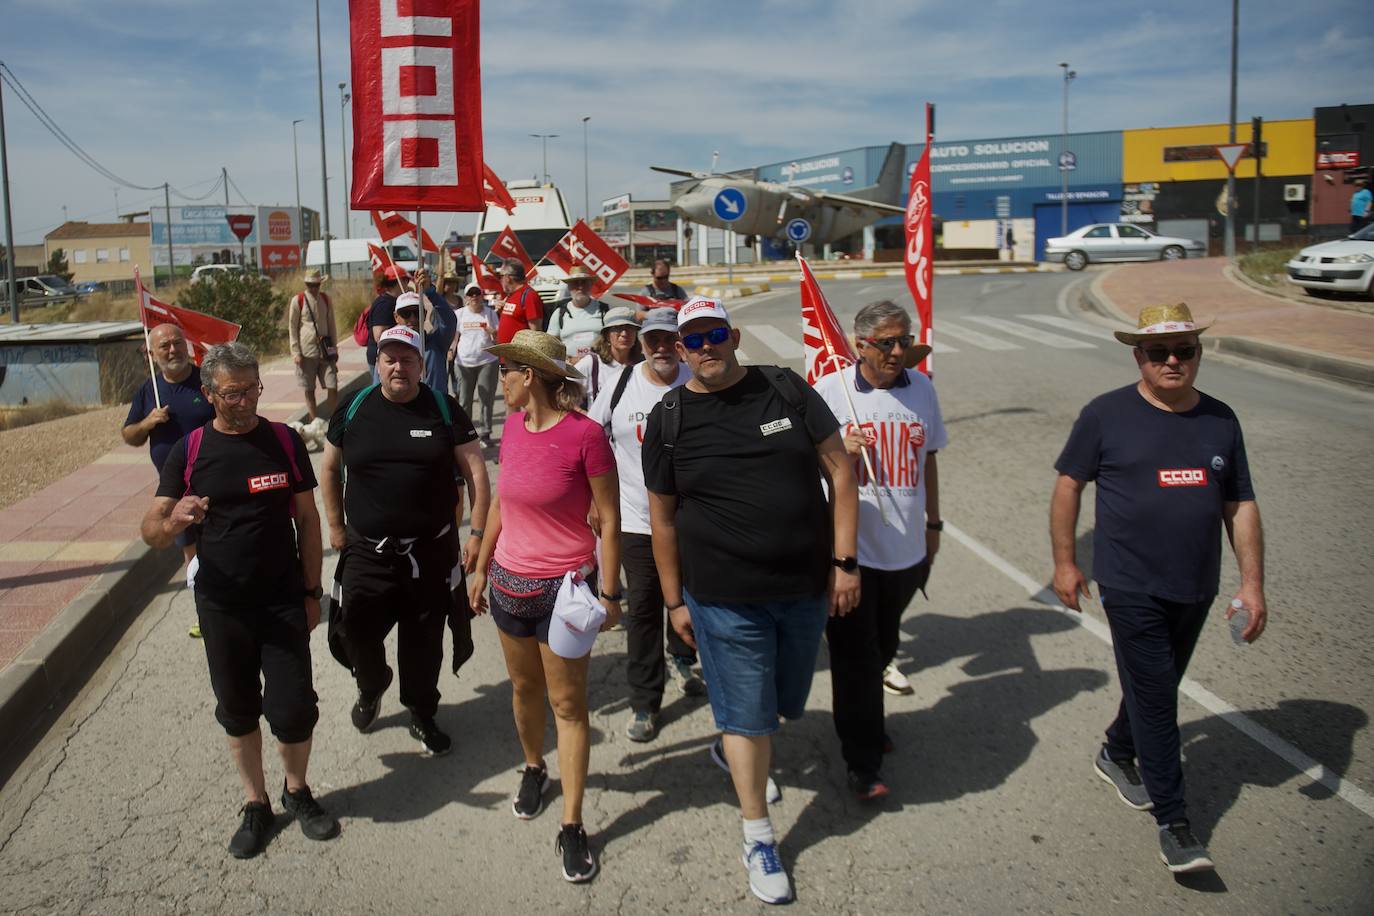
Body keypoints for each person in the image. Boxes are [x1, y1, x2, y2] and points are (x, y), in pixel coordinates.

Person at [642, 297, 860, 905]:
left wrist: (845, 563)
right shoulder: (669, 419)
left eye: (714, 333)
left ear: (733, 336)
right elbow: (661, 521)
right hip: (721, 597)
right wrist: (673, 601)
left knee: (784, 703)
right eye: (692, 338)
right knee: (748, 716)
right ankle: (758, 835)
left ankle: (742, 743)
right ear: (678, 349)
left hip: (804, 589)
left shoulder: (786, 390)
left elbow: (841, 472)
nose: (704, 346)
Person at [1050, 302, 1267, 875]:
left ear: (1198, 354)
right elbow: (1069, 485)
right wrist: (1066, 563)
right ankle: (1176, 824)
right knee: (1158, 697)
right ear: (1138, 357)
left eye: (1184, 351)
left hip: (1195, 584)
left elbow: (1239, 502)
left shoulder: (1221, 420)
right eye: (1159, 353)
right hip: (1129, 583)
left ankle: (1117, 750)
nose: (1173, 361)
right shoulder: (1105, 415)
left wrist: (1252, 584)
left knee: (1157, 684)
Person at [138, 341, 337, 859]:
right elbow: (152, 530)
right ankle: (257, 803)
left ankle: (297, 791)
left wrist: (312, 592)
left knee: (294, 709)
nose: (246, 400)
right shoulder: (192, 450)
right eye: (233, 393)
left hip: (281, 601)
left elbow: (309, 521)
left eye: (252, 389)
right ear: (208, 393)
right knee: (238, 708)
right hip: (222, 606)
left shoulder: (284, 442)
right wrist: (176, 521)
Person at [467, 329, 621, 884]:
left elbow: (609, 518)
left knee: (567, 705)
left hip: (565, 592)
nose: (499, 380)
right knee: (525, 690)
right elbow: (506, 502)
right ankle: (534, 766)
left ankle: (573, 823)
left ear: (528, 375)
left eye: (506, 370)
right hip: (509, 584)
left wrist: (610, 591)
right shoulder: (511, 426)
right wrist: (482, 566)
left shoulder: (586, 436)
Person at [321, 325, 490, 757]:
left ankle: (421, 711)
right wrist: (336, 527)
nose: (399, 367)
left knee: (424, 642)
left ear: (421, 364)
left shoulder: (443, 408)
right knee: (354, 630)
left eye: (408, 359)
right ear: (377, 362)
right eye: (389, 358)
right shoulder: (354, 407)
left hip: (429, 553)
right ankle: (372, 683)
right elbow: (327, 468)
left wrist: (475, 533)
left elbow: (476, 474)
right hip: (366, 551)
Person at [812, 300, 944, 801]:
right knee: (855, 662)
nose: (896, 351)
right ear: (861, 344)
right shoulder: (831, 393)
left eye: (903, 340)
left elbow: (928, 459)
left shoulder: (923, 390)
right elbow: (804, 466)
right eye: (886, 342)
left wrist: (933, 526)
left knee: (885, 648)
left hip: (906, 554)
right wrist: (838, 449)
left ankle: (869, 721)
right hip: (853, 555)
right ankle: (861, 763)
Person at [588, 308, 702, 743]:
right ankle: (645, 701)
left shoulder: (697, 381)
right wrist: (596, 500)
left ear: (681, 343)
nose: (659, 347)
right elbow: (593, 438)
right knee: (644, 615)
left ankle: (683, 660)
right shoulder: (621, 385)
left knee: (691, 601)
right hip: (636, 521)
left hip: (693, 523)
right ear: (641, 343)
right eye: (651, 339)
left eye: (668, 338)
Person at [122, 323, 216, 567]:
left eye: (178, 343)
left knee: (220, 544)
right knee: (192, 557)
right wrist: (147, 423)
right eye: (165, 346)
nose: (174, 350)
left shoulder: (206, 381)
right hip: (175, 488)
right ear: (152, 355)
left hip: (212, 478)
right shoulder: (148, 390)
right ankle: (201, 593)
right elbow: (130, 436)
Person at [450, 282, 499, 447]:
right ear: (466, 298)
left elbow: (498, 339)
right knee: (464, 400)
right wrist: (451, 350)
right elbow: (454, 337)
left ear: (482, 295)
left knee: (486, 399)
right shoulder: (459, 314)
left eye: (477, 293)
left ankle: (485, 433)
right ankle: (466, 433)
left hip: (487, 361)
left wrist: (493, 332)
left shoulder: (490, 314)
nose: (474, 297)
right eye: (471, 294)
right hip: (464, 363)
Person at [391, 272, 457, 395]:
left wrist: (430, 291)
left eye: (417, 313)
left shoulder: (437, 343)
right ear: (396, 317)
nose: (412, 318)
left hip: (434, 409)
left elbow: (449, 321)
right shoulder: (389, 349)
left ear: (425, 314)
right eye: (405, 313)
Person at [288, 268, 339, 421]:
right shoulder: (298, 300)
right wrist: (295, 352)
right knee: (309, 389)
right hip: (306, 351)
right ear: (306, 284)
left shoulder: (326, 299)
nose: (314, 288)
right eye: (310, 285)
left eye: (316, 285)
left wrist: (334, 349)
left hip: (325, 350)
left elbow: (332, 325)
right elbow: (292, 327)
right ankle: (314, 420)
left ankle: (333, 419)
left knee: (333, 384)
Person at [574, 307, 642, 406]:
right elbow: (565, 392)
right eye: (617, 328)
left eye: (630, 328)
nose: (624, 334)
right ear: (607, 335)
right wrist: (584, 416)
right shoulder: (592, 363)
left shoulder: (643, 363)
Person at [545, 264, 610, 361]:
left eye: (584, 282)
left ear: (591, 285)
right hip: (570, 368)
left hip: (600, 366)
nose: (580, 287)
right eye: (575, 283)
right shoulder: (559, 313)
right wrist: (569, 360)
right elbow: (550, 345)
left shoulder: (604, 310)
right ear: (569, 286)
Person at [366, 265, 408, 381]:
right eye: (407, 280)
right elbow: (378, 335)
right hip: (381, 358)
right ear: (400, 282)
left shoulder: (394, 301)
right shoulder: (384, 305)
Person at [496, 260, 544, 345]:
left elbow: (536, 332)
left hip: (520, 356)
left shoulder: (529, 295)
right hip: (507, 356)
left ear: (508, 278)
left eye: (501, 276)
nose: (500, 280)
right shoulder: (511, 295)